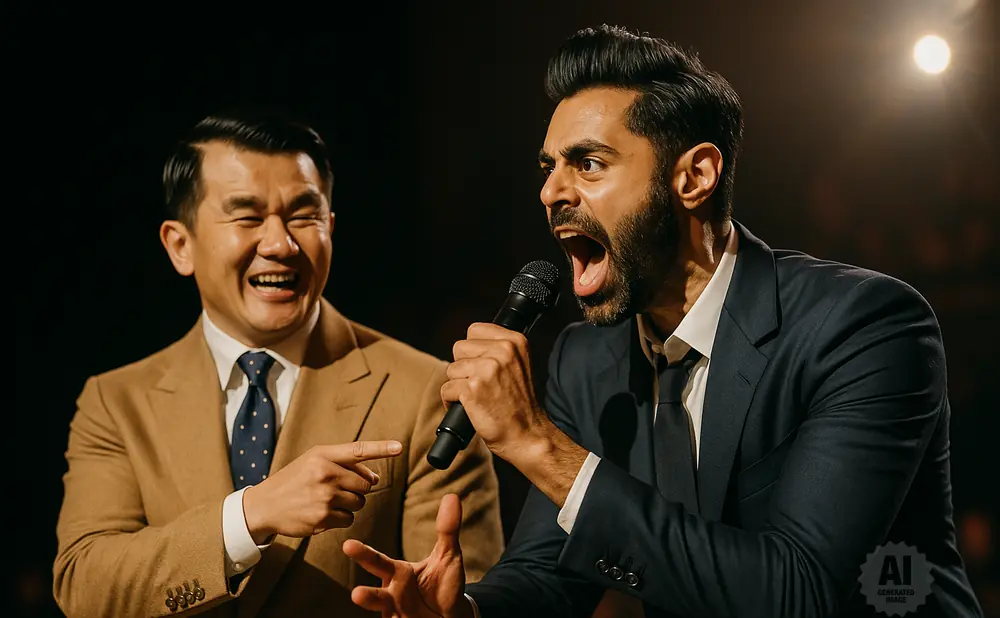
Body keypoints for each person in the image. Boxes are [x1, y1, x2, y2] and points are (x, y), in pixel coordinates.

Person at [342, 25, 983, 618]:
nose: (550, 191)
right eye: (549, 166)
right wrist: (465, 612)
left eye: (588, 163)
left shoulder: (863, 326)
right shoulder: (584, 358)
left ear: (694, 176)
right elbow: (548, 576)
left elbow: (798, 590)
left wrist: (538, 446)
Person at [52, 109, 505, 617]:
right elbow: (84, 585)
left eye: (303, 216)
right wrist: (250, 515)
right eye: (246, 216)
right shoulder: (115, 402)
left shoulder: (428, 391)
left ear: (330, 228)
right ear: (180, 245)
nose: (280, 245)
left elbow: (460, 593)